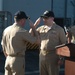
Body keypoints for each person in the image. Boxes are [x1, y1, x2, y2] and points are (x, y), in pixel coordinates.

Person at [1, 11, 40, 75]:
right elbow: (38, 41)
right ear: (22, 20)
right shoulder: (21, 31)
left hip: (8, 59)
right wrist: (33, 27)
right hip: (17, 60)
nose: (25, 22)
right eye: (25, 20)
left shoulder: (6, 30)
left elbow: (3, 46)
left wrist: (8, 57)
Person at [30, 10, 67, 75]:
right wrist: (35, 25)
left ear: (52, 18)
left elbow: (64, 44)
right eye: (43, 18)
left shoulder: (59, 29)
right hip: (42, 55)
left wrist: (62, 58)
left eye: (46, 18)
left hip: (53, 56)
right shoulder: (41, 28)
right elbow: (30, 34)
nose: (44, 19)